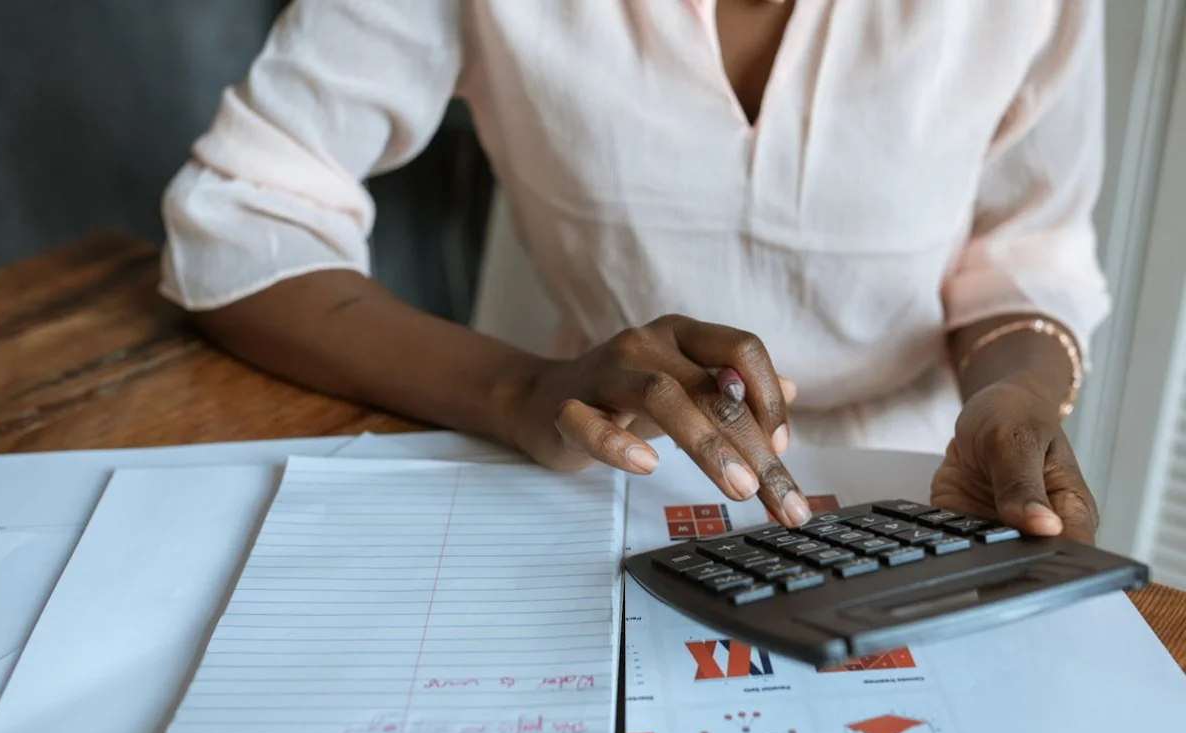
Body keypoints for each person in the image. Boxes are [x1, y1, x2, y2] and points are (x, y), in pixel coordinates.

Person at [159, 0, 1106, 542]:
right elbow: (242, 215)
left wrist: (1017, 393)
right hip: (601, 472)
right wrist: (521, 389)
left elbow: (1026, 252)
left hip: (927, 497)